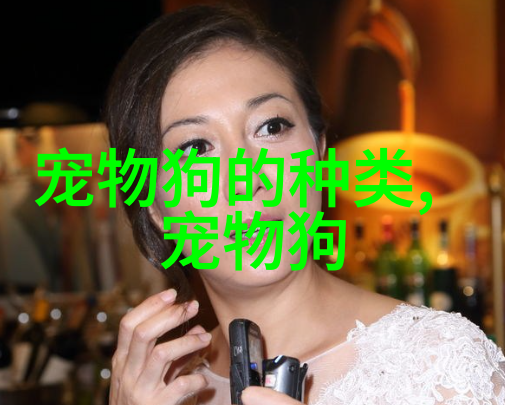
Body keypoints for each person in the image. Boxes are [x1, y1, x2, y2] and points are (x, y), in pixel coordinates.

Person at [103, 4, 505, 405]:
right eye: (196, 147)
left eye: (271, 127)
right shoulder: (162, 392)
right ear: (153, 208)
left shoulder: (439, 365)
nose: (246, 180)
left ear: (319, 150)